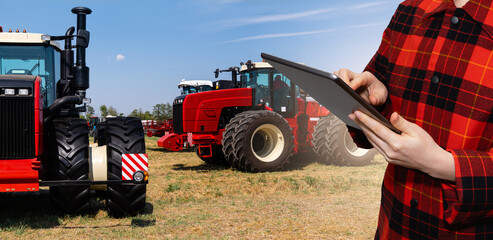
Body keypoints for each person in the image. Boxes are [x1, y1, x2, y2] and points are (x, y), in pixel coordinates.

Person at [336, 0, 493, 238]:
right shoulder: (408, 11)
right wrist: (374, 97)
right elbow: (380, 101)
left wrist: (440, 163)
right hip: (394, 226)